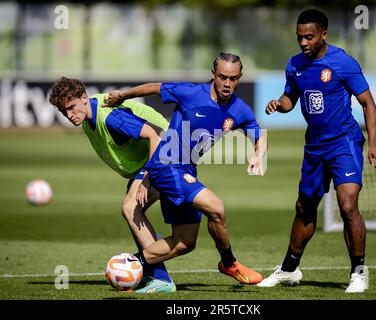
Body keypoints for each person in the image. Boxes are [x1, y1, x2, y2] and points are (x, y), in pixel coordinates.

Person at [103, 52, 267, 285]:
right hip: (166, 166)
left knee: (185, 242)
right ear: (213, 75)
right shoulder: (191, 93)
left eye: (233, 78)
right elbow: (154, 87)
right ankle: (229, 263)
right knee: (217, 208)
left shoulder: (240, 109)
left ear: (240, 77)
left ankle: (128, 267)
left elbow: (258, 133)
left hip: (187, 170)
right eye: (222, 77)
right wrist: (123, 95)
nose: (227, 83)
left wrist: (258, 155)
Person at [257, 9, 376, 293]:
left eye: (309, 37)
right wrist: (279, 103)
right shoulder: (294, 65)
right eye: (299, 37)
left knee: (348, 204)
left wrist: (373, 144)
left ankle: (358, 272)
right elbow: (291, 98)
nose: (303, 42)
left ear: (324, 34)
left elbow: (368, 104)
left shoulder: (343, 63)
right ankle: (289, 269)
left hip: (344, 142)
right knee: (305, 207)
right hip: (314, 147)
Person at [48, 77, 176, 293]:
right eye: (64, 111)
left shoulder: (110, 118)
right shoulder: (90, 112)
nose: (69, 115)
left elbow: (155, 135)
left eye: (71, 108)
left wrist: (146, 178)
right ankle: (155, 266)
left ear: (84, 98)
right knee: (134, 211)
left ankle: (161, 278)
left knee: (130, 208)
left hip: (168, 150)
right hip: (153, 157)